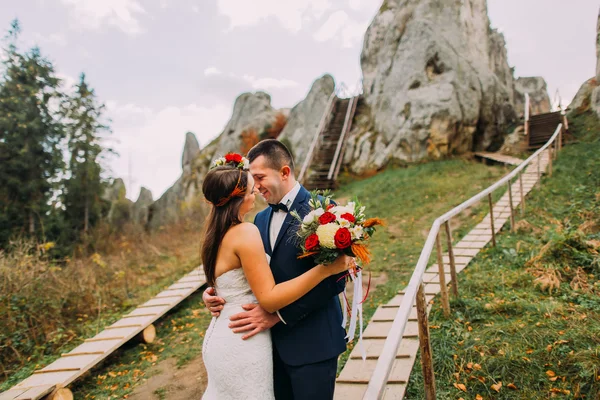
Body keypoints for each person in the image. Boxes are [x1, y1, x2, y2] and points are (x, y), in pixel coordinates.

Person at [200, 145, 349, 400]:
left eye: (259, 178)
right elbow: (249, 275)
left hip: (312, 343)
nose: (255, 188)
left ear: (284, 172)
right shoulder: (258, 220)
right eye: (252, 181)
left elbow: (335, 279)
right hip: (266, 347)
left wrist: (278, 316)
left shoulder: (323, 211)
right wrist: (216, 292)